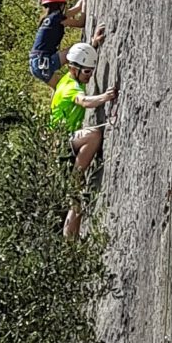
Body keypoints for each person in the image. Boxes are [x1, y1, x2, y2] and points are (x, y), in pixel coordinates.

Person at [49, 39, 116, 240]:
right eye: (86, 72)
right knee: (93, 134)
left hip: (62, 142)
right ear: (73, 69)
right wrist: (105, 97)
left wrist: (92, 44)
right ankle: (78, 172)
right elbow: (84, 101)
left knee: (76, 201)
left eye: (90, 71)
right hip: (61, 142)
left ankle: (71, 244)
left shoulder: (70, 78)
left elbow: (80, 60)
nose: (89, 75)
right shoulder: (70, 86)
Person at [31, 0, 95, 87]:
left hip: (37, 63)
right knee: (77, 51)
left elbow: (75, 9)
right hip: (44, 61)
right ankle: (93, 44)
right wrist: (85, 3)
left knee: (60, 90)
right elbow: (81, 22)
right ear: (61, 4)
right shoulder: (57, 18)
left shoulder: (49, 18)